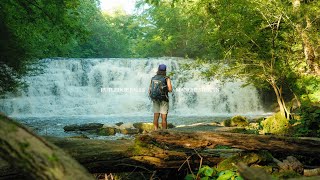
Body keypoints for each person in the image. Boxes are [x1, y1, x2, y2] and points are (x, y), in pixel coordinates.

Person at [149, 64, 172, 130]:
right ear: (165, 70)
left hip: (155, 98)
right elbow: (170, 90)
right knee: (163, 117)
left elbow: (149, 90)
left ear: (158, 69)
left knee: (156, 116)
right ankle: (164, 132)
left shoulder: (153, 78)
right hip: (164, 99)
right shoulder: (166, 78)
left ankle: (155, 131)